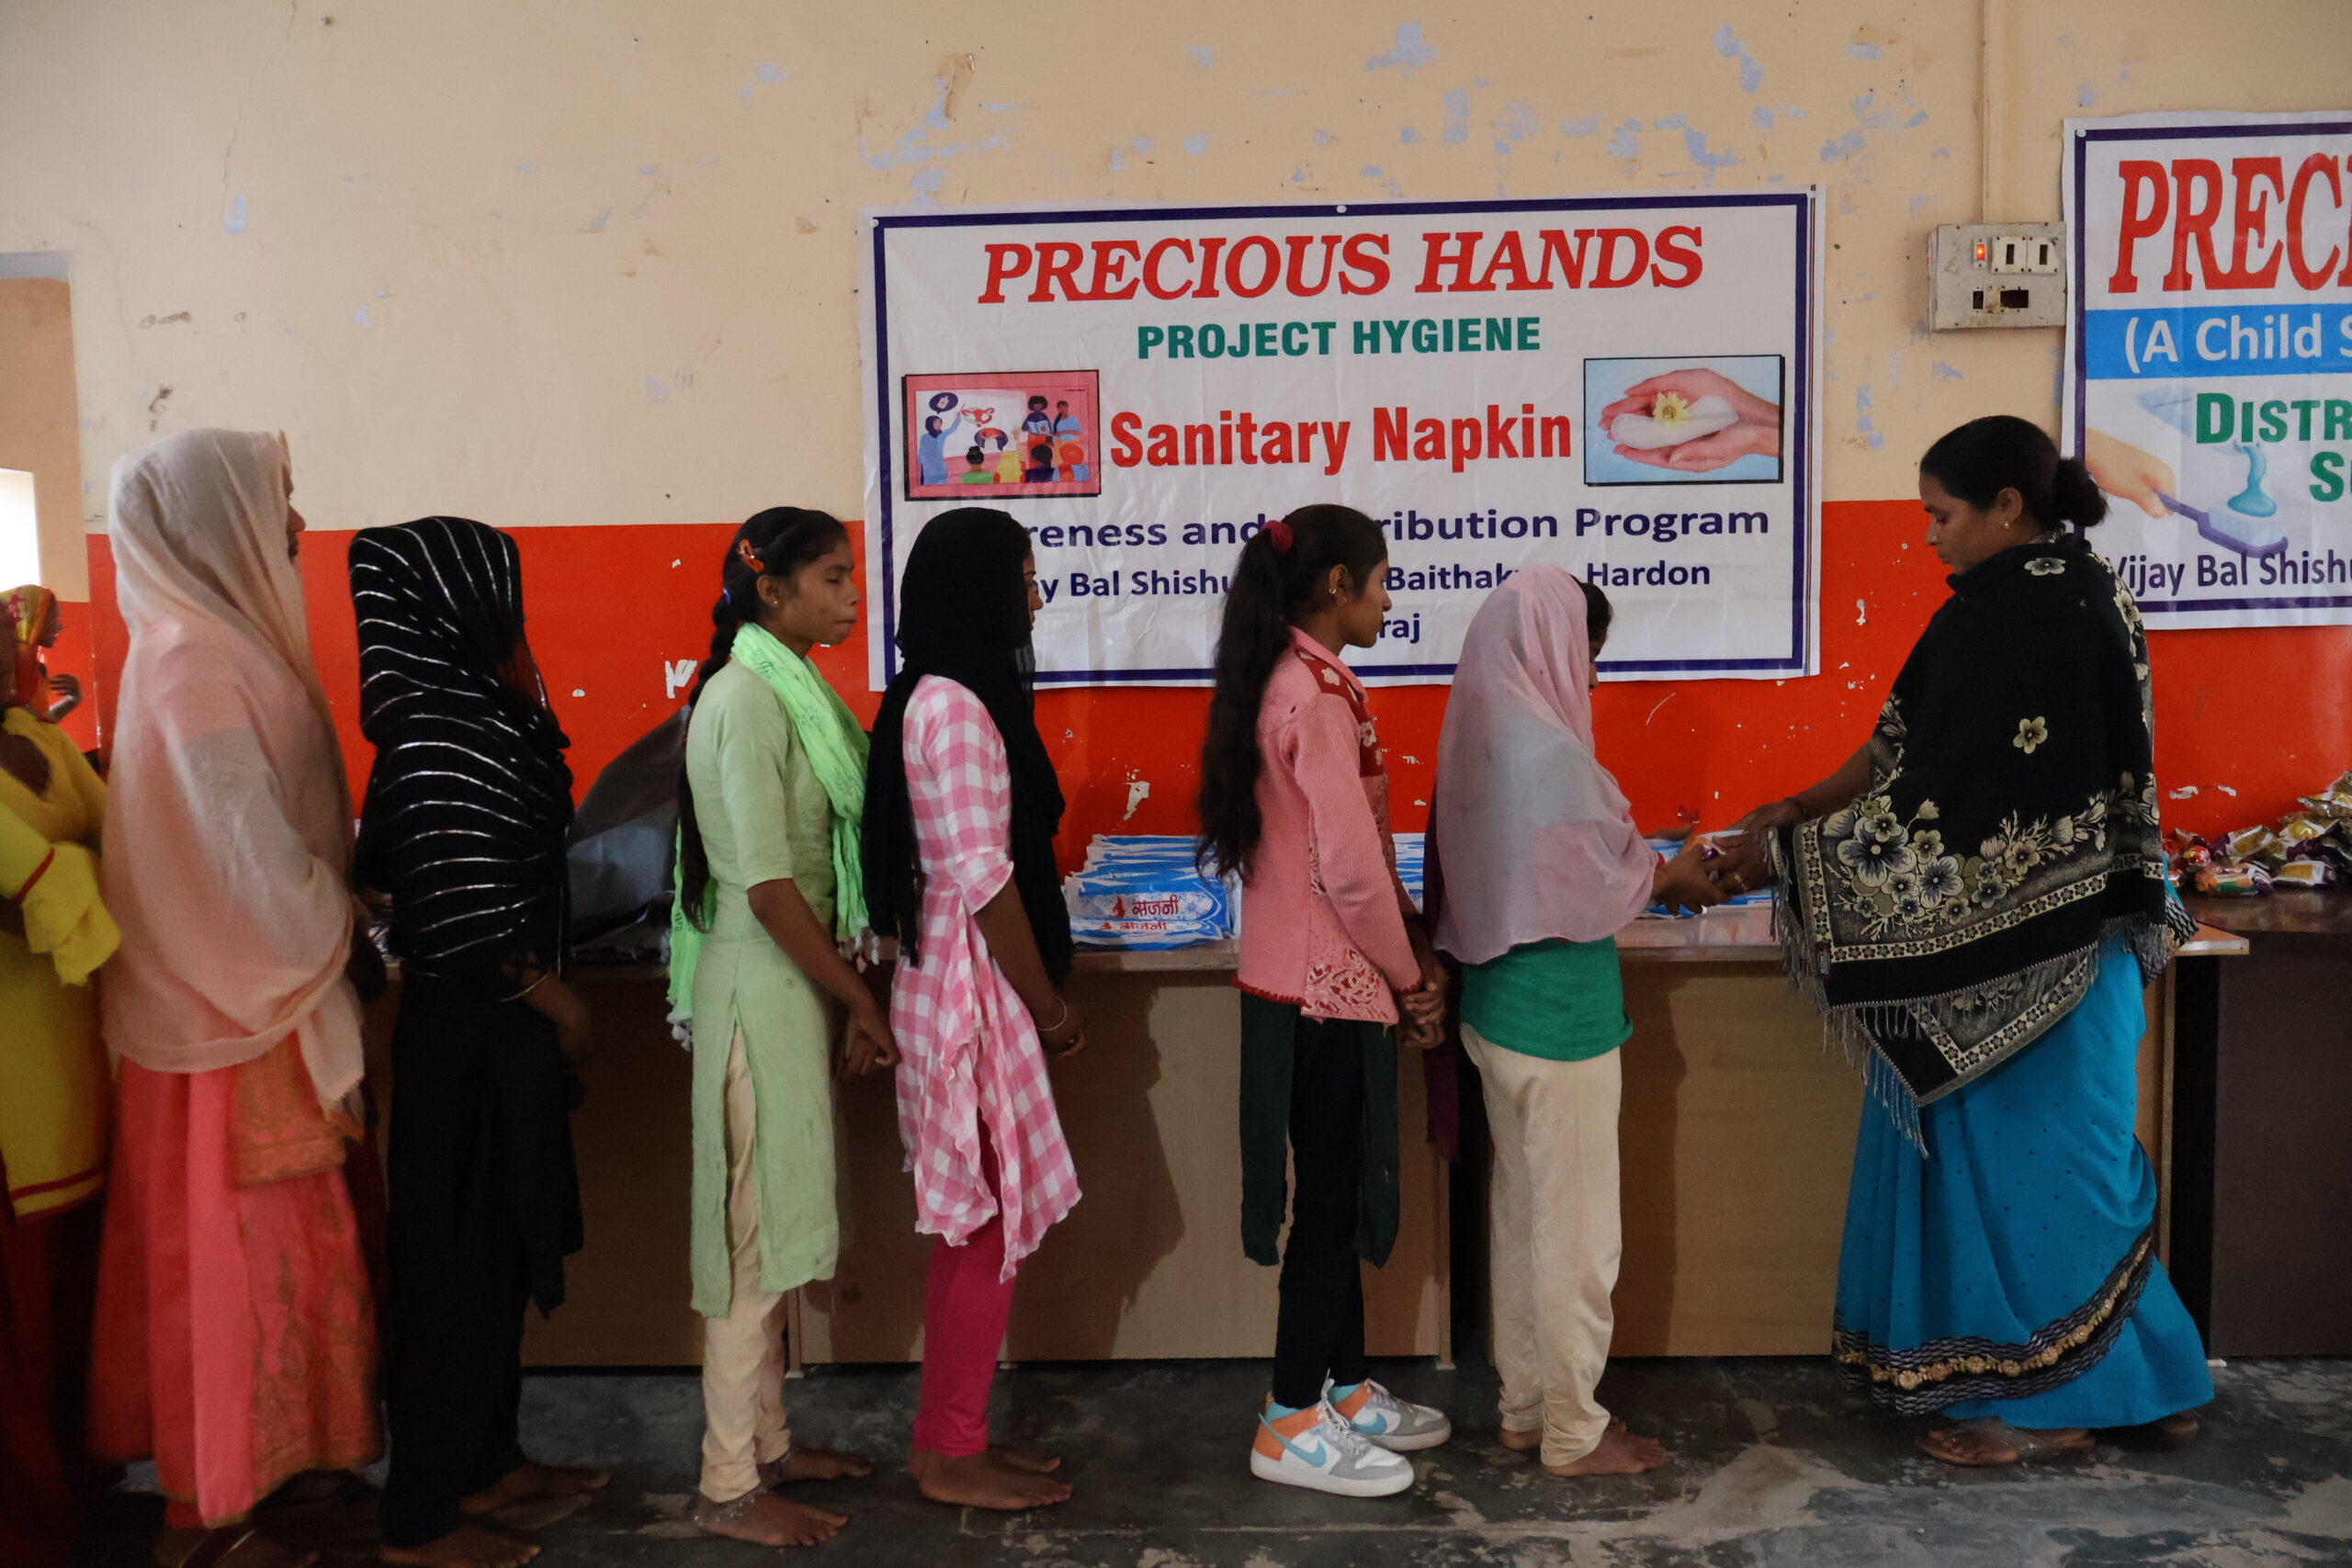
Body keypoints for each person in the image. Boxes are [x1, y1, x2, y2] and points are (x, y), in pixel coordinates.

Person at [1713, 415, 2211, 1468]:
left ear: (2006, 508)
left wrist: (1789, 853)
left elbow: (1948, 803)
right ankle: (2151, 1383)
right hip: (2081, 945)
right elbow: (1905, 749)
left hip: (2031, 955)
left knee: (2038, 1182)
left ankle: (2042, 1410)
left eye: (1941, 515)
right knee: (2081, 1172)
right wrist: (1800, 807)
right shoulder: (2060, 595)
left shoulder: (2028, 611)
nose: (1929, 535)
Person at [87, 428, 382, 1568]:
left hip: (263, 1001)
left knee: (294, 1258)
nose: (296, 525)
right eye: (277, 501)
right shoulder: (191, 660)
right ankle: (205, 1516)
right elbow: (245, 852)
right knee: (230, 1273)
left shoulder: (218, 645)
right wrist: (338, 925)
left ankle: (285, 1474)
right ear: (213, 522)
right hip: (230, 1013)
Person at [350, 517, 608, 1568]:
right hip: (472, 1040)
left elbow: (389, 870)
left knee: (496, 1260)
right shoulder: (441, 724)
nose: (512, 610)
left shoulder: (457, 710)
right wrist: (561, 1006)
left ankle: (488, 1462)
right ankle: (420, 1517)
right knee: (453, 1276)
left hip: (487, 1036)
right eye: (499, 589)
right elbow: (459, 910)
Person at [1427, 569, 1718, 1480]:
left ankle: (1527, 1407)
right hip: (1561, 1022)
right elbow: (1597, 884)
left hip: (1495, 1010)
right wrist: (1670, 876)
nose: (1590, 676)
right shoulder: (1548, 751)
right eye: (1585, 653)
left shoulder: (1475, 734)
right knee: (1580, 1235)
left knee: (1522, 1217)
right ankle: (1574, 1431)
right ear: (1551, 646)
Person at [1194, 504, 1452, 1499]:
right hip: (1326, 990)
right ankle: (1291, 1416)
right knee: (1330, 1208)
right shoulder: (1313, 698)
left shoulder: (1287, 678)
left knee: (1332, 1201)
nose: (1390, 599)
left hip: (1294, 982)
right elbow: (1349, 869)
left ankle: (1342, 1388)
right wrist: (1408, 976)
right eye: (1382, 581)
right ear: (1337, 585)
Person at [670, 508, 892, 1547]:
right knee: (749, 1248)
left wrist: (843, 992)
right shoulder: (748, 700)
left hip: (788, 981)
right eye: (833, 578)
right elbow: (765, 887)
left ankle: (769, 1445)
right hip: (760, 985)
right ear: (773, 590)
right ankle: (727, 1485)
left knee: (770, 1222)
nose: (851, 595)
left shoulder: (787, 691)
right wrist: (862, 998)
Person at [862, 507, 1084, 1513]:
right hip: (971, 993)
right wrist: (1049, 1009)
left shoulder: (950, 692)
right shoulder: (952, 706)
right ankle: (951, 1451)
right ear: (979, 590)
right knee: (980, 1228)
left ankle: (949, 1437)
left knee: (976, 1223)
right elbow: (982, 878)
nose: (1035, 597)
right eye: (1024, 577)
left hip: (967, 981)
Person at [0, 597, 119, 1568]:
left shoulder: (36, 739)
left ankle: (74, 1497)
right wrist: (70, 874)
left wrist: (67, 873)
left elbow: (123, 845)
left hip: (70, 1078)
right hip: (13, 1101)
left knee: (68, 1318)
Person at [3, 587, 81, 724]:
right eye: (53, 618)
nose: (60, 627)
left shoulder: (35, 671)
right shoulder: (6, 670)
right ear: (32, 619)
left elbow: (40, 723)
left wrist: (73, 700)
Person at [915, 412, 965, 487]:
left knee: (942, 483)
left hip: (939, 462)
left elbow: (952, 429)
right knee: (928, 485)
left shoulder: (942, 435)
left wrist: (958, 418)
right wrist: (920, 462)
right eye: (936, 422)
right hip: (927, 464)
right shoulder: (924, 437)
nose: (938, 424)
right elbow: (922, 450)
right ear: (930, 423)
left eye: (940, 422)